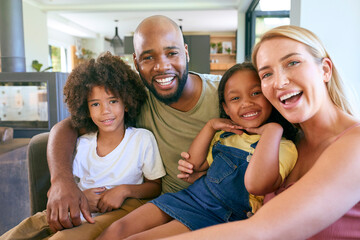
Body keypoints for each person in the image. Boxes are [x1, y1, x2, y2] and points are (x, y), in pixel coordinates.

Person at [161, 25, 360, 240]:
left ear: (325, 70)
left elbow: (262, 231)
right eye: (267, 74)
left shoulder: (355, 144)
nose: (280, 82)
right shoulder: (288, 143)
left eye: (292, 63)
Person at [43, 15, 221, 238]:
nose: (162, 66)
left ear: (185, 52)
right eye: (148, 58)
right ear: (136, 63)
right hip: (165, 205)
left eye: (172, 53)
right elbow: (66, 127)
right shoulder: (135, 102)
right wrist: (62, 181)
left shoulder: (227, 95)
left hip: (215, 204)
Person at [96, 62, 298, 239]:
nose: (246, 103)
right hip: (191, 196)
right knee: (118, 229)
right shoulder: (226, 136)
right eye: (235, 99)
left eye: (256, 93)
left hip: (220, 215)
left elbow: (257, 184)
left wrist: (272, 130)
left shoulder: (282, 145)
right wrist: (210, 126)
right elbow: (193, 165)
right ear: (226, 109)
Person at [0, 52, 166, 240]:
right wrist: (81, 197)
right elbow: (74, 183)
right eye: (95, 104)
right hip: (82, 207)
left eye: (113, 101)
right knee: (22, 231)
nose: (105, 111)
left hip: (123, 209)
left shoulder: (141, 139)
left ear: (126, 103)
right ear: (85, 108)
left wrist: (124, 190)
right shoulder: (83, 143)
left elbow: (155, 186)